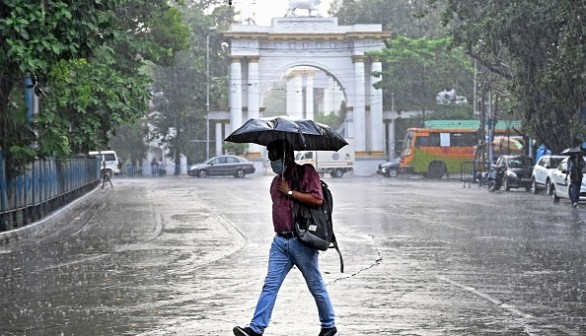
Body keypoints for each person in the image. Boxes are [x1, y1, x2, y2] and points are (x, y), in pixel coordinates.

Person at [233, 139, 338, 336]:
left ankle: (329, 326)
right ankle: (255, 329)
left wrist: (290, 191)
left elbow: (317, 199)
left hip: (301, 241)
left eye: (275, 156)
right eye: (270, 156)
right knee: (270, 285)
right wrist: (283, 189)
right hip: (279, 242)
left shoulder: (306, 172)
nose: (272, 160)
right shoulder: (275, 182)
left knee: (315, 285)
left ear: (287, 156)